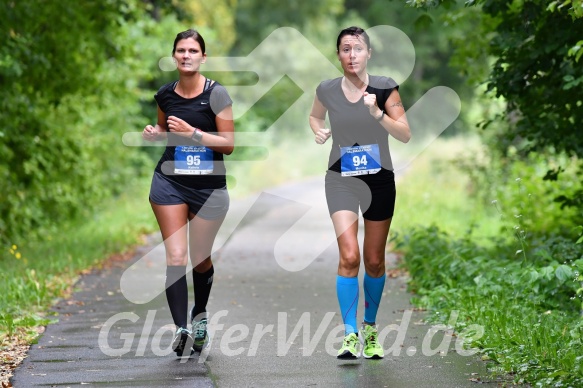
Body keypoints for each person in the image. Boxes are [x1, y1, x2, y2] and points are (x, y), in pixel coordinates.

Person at [309, 26, 411, 359]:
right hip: (341, 178)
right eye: (345, 49)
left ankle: (369, 328)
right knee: (350, 256)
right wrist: (319, 131)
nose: (351, 55)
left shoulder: (385, 87)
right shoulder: (326, 89)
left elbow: (405, 134)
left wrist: (377, 113)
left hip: (379, 180)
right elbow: (314, 116)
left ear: (369, 53)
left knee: (374, 260)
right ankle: (350, 334)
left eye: (358, 49)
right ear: (337, 54)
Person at [142, 29, 234, 357]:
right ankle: (181, 327)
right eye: (180, 50)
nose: (186, 55)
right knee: (176, 255)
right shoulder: (165, 95)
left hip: (209, 188)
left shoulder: (218, 95)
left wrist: (194, 133)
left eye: (193, 50)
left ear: (203, 57)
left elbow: (229, 144)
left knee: (200, 258)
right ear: (174, 56)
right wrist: (156, 135)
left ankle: (200, 314)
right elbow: (167, 134)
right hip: (170, 182)